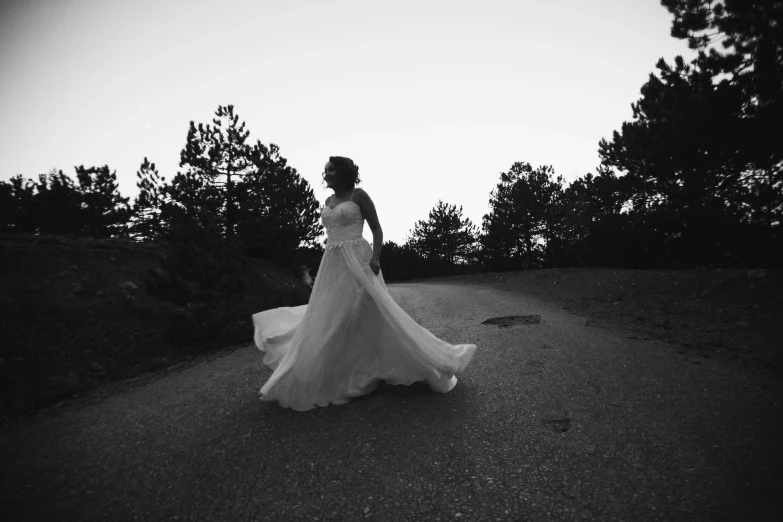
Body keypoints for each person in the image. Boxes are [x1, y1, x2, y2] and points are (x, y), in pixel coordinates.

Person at [252, 156, 476, 411]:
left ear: (344, 172)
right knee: (332, 316)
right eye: (325, 170)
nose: (327, 174)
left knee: (368, 314)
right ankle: (346, 372)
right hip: (332, 264)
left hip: (359, 260)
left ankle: (427, 360)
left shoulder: (359, 196)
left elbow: (377, 229)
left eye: (332, 170)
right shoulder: (327, 202)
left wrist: (376, 258)